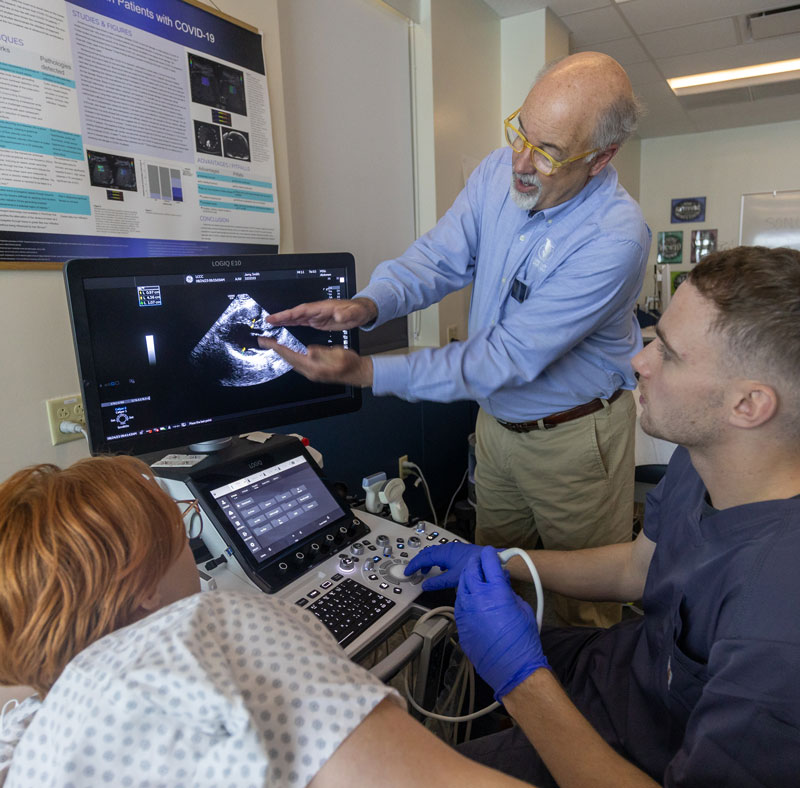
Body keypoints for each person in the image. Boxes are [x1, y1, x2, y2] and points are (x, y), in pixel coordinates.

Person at [261, 52, 650, 628]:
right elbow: (438, 259)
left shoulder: (616, 238)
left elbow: (507, 356)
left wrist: (369, 374)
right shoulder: (498, 172)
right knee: (493, 577)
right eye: (521, 131)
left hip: (575, 438)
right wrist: (368, 304)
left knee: (577, 608)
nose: (522, 161)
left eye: (547, 152)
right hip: (497, 427)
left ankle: (571, 711)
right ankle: (500, 704)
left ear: (600, 159)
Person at [404, 245, 800, 787]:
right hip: (623, 672)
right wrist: (504, 560)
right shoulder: (705, 456)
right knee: (451, 650)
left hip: (642, 755)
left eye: (671, 354)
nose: (639, 359)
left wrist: (522, 680)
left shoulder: (778, 618)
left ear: (749, 405)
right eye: (653, 338)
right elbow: (636, 570)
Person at [0, 455, 531, 788]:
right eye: (179, 533)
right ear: (142, 587)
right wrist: (525, 678)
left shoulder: (25, 735)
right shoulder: (212, 625)